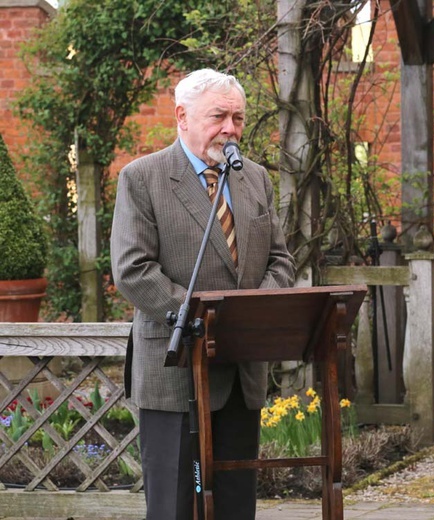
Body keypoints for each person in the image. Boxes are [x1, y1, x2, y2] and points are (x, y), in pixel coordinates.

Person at [111, 69, 296, 519]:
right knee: (177, 505)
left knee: (235, 505)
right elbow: (133, 270)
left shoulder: (255, 180)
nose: (230, 129)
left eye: (237, 117)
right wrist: (206, 317)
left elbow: (281, 262)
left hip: (240, 374)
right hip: (176, 372)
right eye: (219, 116)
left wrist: (247, 317)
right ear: (182, 116)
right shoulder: (143, 178)